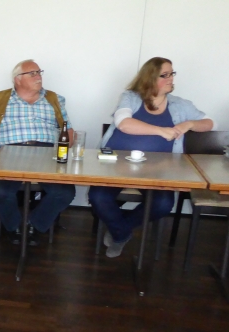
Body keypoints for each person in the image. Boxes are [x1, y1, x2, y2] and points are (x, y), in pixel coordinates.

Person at [91, 57, 215, 258]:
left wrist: (190, 124)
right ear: (149, 77)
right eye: (164, 75)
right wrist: (161, 130)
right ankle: (121, 233)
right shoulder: (130, 97)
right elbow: (124, 123)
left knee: (163, 204)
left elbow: (210, 123)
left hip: (160, 169)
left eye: (172, 73)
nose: (170, 78)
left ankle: (119, 230)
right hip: (115, 164)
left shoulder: (180, 105)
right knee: (98, 197)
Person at [0, 59, 76, 246]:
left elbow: (68, 130)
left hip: (47, 152)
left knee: (64, 193)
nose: (38, 77)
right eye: (32, 73)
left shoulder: (54, 99)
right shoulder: (0, 99)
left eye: (39, 72)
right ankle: (15, 226)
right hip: (10, 152)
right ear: (17, 79)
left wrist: (64, 151)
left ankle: (32, 226)